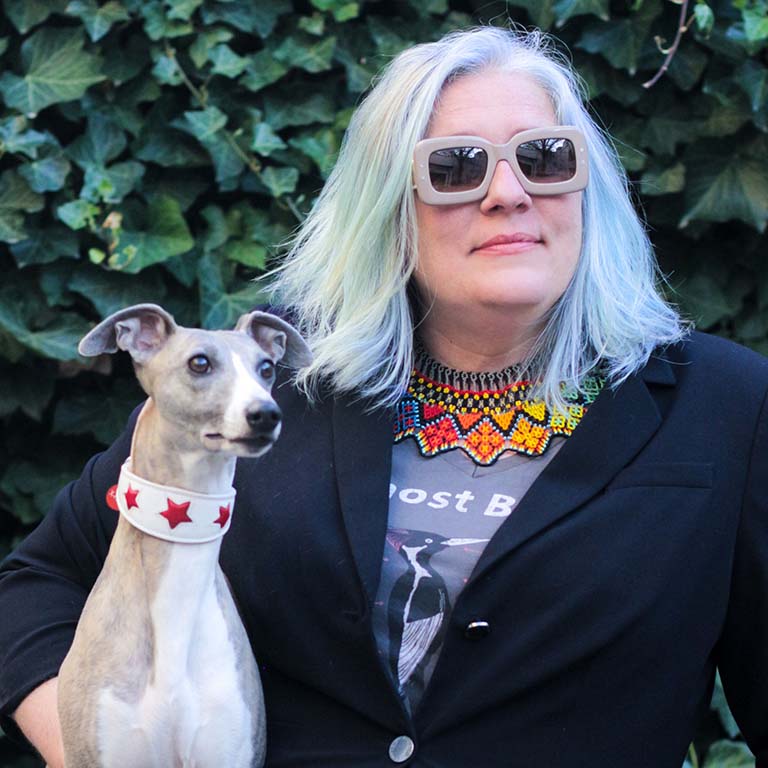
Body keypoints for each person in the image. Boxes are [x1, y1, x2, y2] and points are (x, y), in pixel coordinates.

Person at [1, 25, 767, 768]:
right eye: (458, 166)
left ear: (584, 184)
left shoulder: (727, 408)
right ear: (387, 208)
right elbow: (35, 584)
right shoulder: (269, 384)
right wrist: (93, 748)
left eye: (543, 156)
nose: (509, 192)